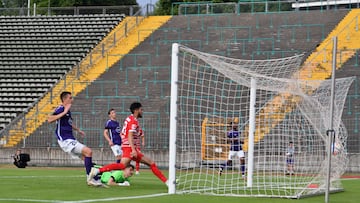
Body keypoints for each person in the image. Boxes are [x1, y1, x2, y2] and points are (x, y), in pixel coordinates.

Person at [88, 102, 168, 186]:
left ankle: (98, 170)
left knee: (122, 165)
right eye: (141, 110)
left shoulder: (129, 118)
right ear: (136, 110)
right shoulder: (133, 121)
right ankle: (167, 182)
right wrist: (133, 149)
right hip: (130, 147)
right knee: (151, 163)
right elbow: (130, 135)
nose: (142, 111)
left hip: (126, 146)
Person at [47, 91, 100, 186]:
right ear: (65, 99)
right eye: (70, 98)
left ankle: (96, 178)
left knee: (86, 157)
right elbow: (49, 119)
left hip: (70, 139)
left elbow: (69, 124)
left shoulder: (67, 111)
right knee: (88, 151)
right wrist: (64, 112)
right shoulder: (61, 108)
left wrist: (78, 130)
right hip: (65, 140)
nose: (72, 99)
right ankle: (90, 178)